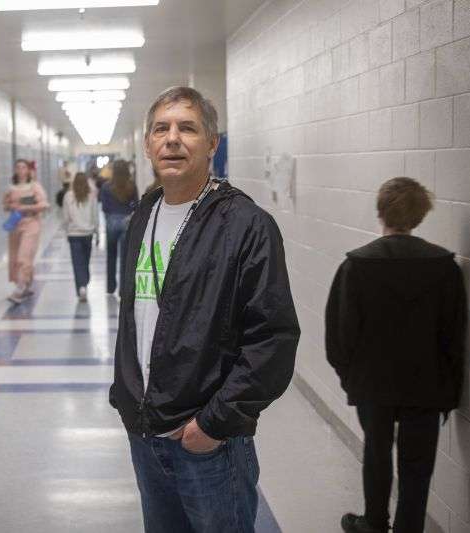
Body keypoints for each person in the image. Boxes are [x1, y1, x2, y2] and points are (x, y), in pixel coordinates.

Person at [109, 86, 300, 533]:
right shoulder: (143, 216)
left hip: (208, 443)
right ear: (147, 144)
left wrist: (212, 425)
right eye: (161, 128)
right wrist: (128, 399)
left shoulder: (245, 225)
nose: (172, 139)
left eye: (187, 128)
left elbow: (273, 338)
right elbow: (136, 319)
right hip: (145, 431)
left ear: (212, 143)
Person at [326, 177, 467, 533]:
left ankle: (374, 523)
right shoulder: (445, 267)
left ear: (380, 211)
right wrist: (450, 391)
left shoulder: (357, 266)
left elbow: (339, 334)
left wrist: (350, 376)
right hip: (427, 385)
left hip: (373, 384)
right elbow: (454, 335)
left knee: (376, 454)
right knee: (418, 466)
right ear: (420, 216)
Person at [3, 159, 49, 303]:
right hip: (16, 224)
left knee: (24, 255)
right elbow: (5, 205)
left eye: (23, 167)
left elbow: (44, 204)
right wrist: (12, 206)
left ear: (28, 170)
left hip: (32, 223)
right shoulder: (11, 188)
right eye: (18, 167)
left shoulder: (35, 187)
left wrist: (27, 208)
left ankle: (20, 288)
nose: (21, 170)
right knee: (16, 257)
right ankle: (26, 285)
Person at [98, 159, 138, 295]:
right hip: (127, 223)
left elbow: (104, 207)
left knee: (111, 255)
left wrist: (110, 217)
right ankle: (123, 290)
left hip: (111, 223)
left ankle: (110, 287)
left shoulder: (106, 187)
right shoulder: (132, 186)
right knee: (125, 258)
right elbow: (136, 205)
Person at [62, 172, 99, 302]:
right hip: (87, 234)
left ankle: (82, 286)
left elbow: (65, 217)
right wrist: (97, 232)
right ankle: (84, 283)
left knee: (77, 263)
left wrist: (67, 231)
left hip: (73, 234)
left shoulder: (68, 196)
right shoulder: (91, 196)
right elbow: (95, 216)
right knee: (85, 262)